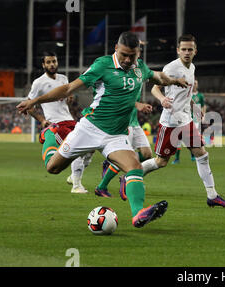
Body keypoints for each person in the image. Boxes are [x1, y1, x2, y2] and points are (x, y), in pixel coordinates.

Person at [17, 32, 188, 228]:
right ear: (116, 48)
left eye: (132, 55)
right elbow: (68, 89)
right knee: (53, 168)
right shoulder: (102, 65)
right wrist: (35, 100)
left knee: (134, 167)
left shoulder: (140, 68)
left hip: (116, 135)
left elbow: (158, 77)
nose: (127, 59)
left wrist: (175, 81)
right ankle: (49, 137)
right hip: (89, 128)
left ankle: (138, 214)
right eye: (123, 54)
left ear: (138, 53)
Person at [120, 34, 225, 208]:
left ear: (195, 51)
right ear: (178, 50)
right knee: (161, 162)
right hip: (171, 122)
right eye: (184, 49)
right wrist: (162, 100)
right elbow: (155, 88)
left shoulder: (192, 68)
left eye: (190, 49)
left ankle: (212, 195)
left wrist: (195, 108)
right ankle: (130, 176)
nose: (187, 52)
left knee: (202, 154)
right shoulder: (172, 67)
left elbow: (187, 94)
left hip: (185, 120)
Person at [27, 51, 92, 194]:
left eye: (54, 61)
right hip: (57, 124)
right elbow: (29, 104)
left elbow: (67, 97)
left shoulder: (64, 78)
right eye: (49, 62)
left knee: (90, 148)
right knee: (76, 149)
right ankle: (76, 186)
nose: (52, 65)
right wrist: (42, 120)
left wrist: (70, 98)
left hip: (70, 121)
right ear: (43, 65)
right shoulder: (39, 82)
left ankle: (73, 176)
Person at [172, 79, 206, 163]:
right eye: (193, 83)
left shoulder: (200, 95)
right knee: (179, 138)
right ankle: (177, 158)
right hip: (184, 117)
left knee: (193, 138)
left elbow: (203, 106)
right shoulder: (187, 94)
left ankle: (193, 156)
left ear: (197, 85)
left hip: (195, 118)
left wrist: (203, 115)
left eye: (196, 83)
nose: (194, 85)